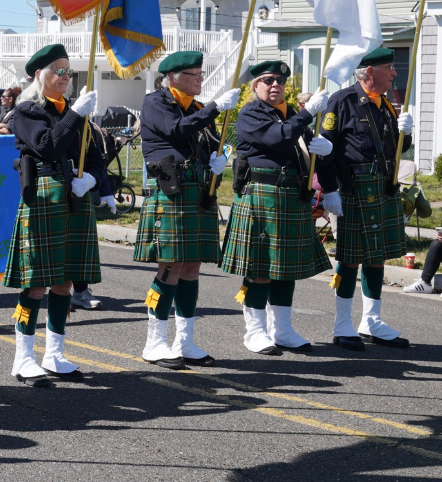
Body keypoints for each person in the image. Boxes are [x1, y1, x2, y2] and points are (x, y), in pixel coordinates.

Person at [5, 44, 110, 385]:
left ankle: (55, 353)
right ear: (40, 75)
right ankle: (23, 357)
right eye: (58, 71)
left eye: (68, 72)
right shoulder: (27, 110)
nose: (65, 77)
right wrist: (76, 114)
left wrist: (94, 180)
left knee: (64, 280)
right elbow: (47, 145)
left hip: (73, 198)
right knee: (36, 283)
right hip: (44, 198)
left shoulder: (74, 111)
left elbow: (92, 154)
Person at [135, 51, 241, 368]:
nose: (200, 79)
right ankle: (154, 342)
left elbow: (203, 145)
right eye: (194, 74)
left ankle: (185, 340)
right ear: (173, 77)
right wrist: (215, 108)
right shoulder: (155, 102)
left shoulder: (196, 108)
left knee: (192, 266)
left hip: (196, 191)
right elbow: (177, 130)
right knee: (170, 267)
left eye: (200, 73)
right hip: (171, 190)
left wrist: (217, 163)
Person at [220, 61, 332, 355]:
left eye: (280, 81)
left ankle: (281, 329)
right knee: (260, 268)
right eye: (268, 80)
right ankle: (254, 330)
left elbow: (305, 147)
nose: (275, 85)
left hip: (291, 194)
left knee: (285, 269)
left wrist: (325, 149)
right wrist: (308, 114)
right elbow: (277, 138)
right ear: (255, 86)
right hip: (262, 193)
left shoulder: (292, 114)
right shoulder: (251, 113)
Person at [316, 47, 413, 351]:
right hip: (354, 188)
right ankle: (342, 324)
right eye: (389, 67)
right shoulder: (342, 102)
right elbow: (324, 150)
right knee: (349, 257)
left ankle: (371, 320)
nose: (395, 73)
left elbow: (391, 148)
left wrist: (405, 135)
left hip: (382, 186)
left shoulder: (385, 103)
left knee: (377, 255)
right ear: (369, 72)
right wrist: (329, 190)